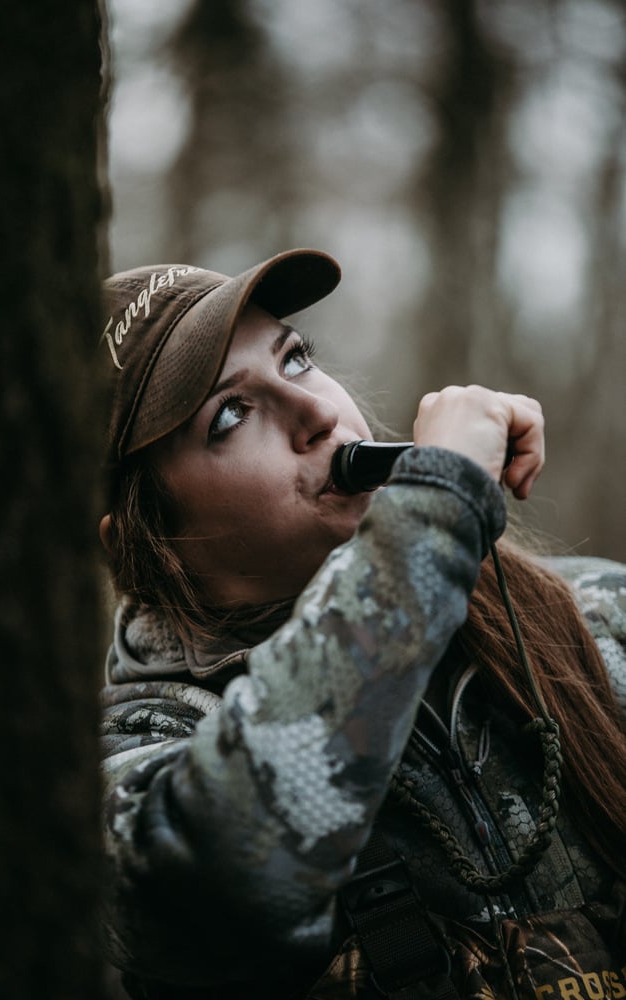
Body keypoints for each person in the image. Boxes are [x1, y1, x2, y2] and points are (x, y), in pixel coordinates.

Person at [98, 249, 626, 1000]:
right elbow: (233, 877)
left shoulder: (598, 615)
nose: (316, 413)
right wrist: (435, 514)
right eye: (231, 413)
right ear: (143, 542)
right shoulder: (136, 758)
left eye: (296, 358)